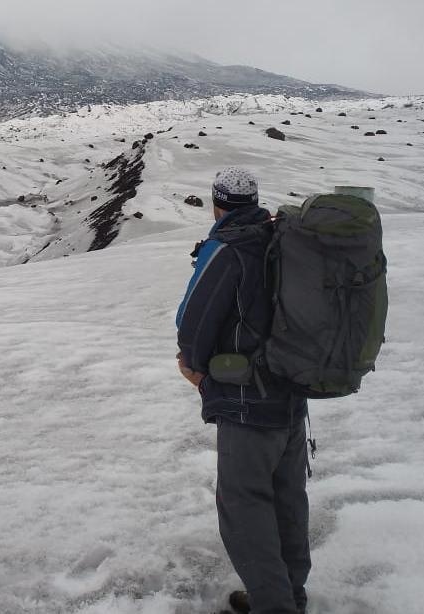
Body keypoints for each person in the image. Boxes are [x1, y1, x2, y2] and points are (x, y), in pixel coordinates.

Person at [175, 167, 310, 614]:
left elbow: (191, 323)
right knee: (287, 498)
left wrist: (196, 371)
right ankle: (289, 592)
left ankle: (275, 605)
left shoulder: (229, 249)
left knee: (244, 507)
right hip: (292, 394)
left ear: (216, 204)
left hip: (247, 400)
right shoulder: (282, 241)